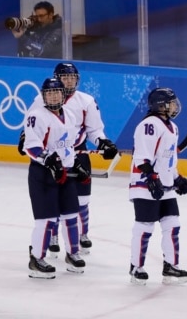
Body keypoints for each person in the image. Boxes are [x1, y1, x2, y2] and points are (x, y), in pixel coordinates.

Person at [128, 87, 187, 285]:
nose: (175, 106)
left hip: (164, 186)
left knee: (173, 225)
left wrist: (177, 179)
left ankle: (171, 266)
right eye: (171, 102)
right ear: (160, 105)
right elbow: (141, 158)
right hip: (144, 184)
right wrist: (151, 177)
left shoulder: (173, 127)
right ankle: (136, 267)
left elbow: (169, 160)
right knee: (145, 227)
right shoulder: (149, 125)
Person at [22, 77, 85, 278]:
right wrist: (50, 161)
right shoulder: (36, 116)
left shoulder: (70, 115)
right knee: (46, 220)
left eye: (56, 92)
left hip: (65, 174)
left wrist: (75, 164)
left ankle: (73, 254)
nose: (53, 96)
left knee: (71, 216)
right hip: (43, 175)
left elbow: (69, 145)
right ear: (43, 95)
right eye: (49, 93)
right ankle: (37, 260)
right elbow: (31, 148)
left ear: (63, 94)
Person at [52, 62, 117, 252]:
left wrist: (103, 143)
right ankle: (53, 235)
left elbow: (95, 130)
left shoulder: (86, 101)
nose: (69, 81)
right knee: (54, 197)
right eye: (65, 77)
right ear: (57, 78)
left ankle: (83, 233)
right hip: (55, 155)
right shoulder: (44, 99)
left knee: (82, 199)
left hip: (78, 153)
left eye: (72, 78)